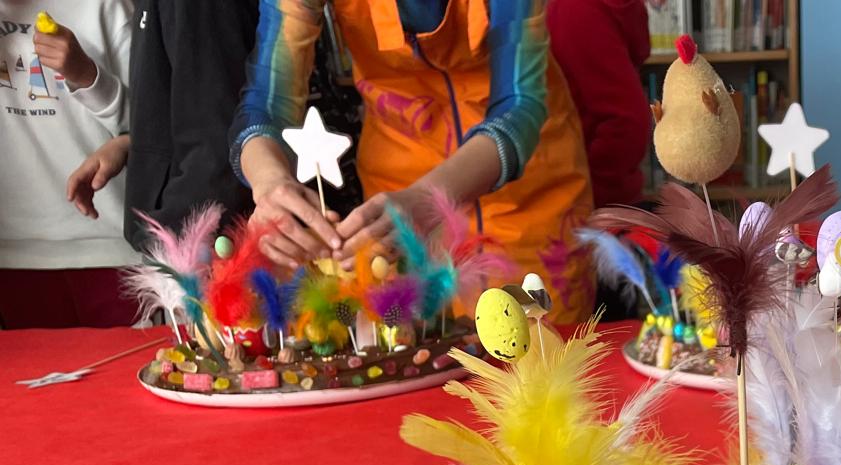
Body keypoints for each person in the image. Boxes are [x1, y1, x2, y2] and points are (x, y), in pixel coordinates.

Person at [230, 0, 595, 323]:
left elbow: (520, 105)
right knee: (418, 360)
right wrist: (269, 183)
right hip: (395, 197)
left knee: (538, 354)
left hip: (528, 195)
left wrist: (426, 199)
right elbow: (266, 104)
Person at [64, 0, 258, 250]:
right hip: (184, 230)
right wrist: (131, 144)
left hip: (198, 239)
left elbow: (216, 137)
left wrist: (178, 243)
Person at [0, 2, 138, 328]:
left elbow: (159, 127)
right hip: (11, 258)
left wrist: (87, 76)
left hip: (111, 249)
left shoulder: (106, 7)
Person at [545, 0, 648, 210]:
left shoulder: (575, 10)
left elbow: (627, 119)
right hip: (584, 201)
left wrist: (589, 195)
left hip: (585, 208)